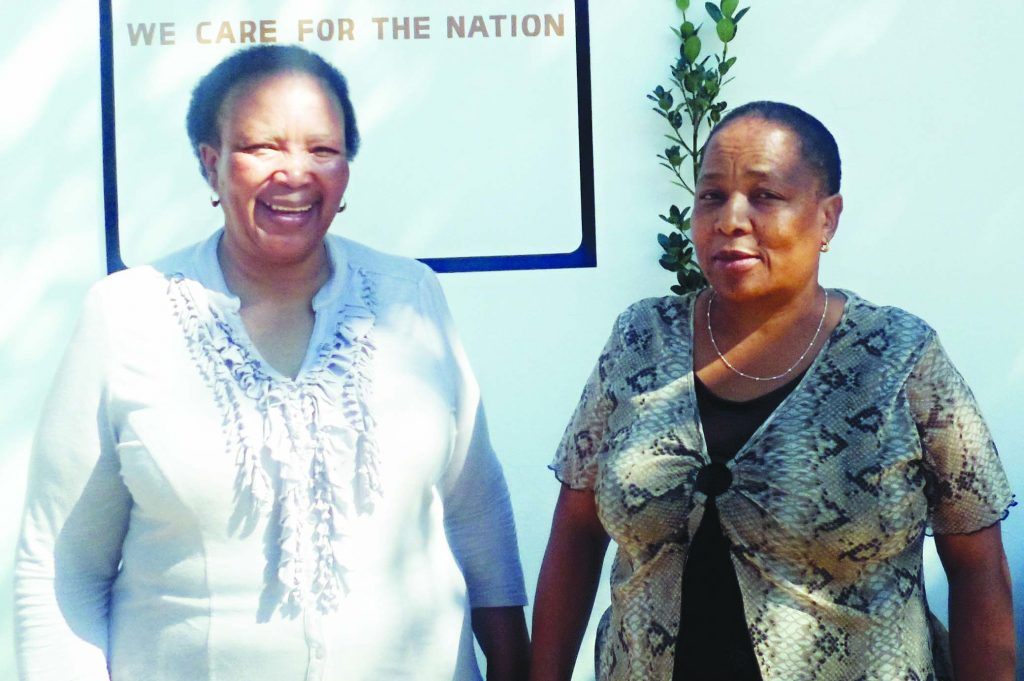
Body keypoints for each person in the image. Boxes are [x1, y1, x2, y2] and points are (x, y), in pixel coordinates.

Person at [15, 44, 529, 681]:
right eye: (262, 147)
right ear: (212, 165)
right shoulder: (126, 317)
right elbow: (60, 569)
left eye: (322, 149)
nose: (294, 173)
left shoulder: (410, 298)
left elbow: (477, 516)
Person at [529, 101, 1015, 681]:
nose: (730, 219)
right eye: (711, 195)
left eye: (765, 196)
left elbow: (978, 566)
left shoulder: (897, 356)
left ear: (827, 218)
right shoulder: (640, 340)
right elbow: (577, 531)